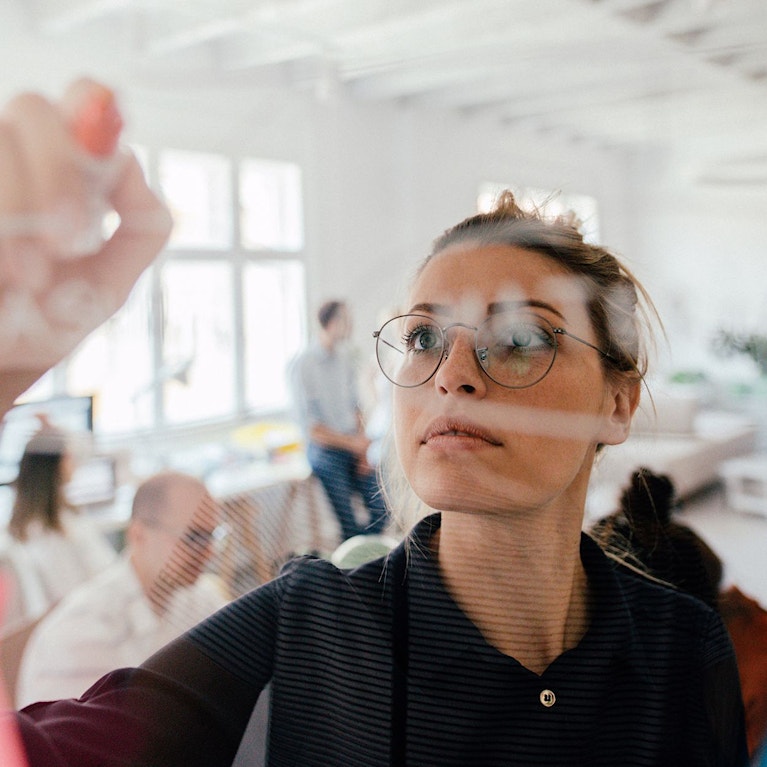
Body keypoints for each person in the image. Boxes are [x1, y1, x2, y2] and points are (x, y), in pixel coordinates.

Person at [0, 81, 747, 766]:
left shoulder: (683, 647)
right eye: (423, 336)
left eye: (518, 339)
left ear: (615, 404)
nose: (452, 372)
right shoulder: (302, 627)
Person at [15, 470, 228, 707]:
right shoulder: (80, 633)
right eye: (194, 538)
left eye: (212, 537)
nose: (209, 553)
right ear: (139, 535)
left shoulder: (199, 598)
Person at [290, 299, 389, 540]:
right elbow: (313, 430)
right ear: (332, 323)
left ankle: (362, 552)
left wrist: (362, 448)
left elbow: (356, 408)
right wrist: (354, 444)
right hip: (325, 450)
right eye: (347, 320)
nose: (351, 325)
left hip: (353, 446)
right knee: (349, 523)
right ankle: (354, 557)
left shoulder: (344, 359)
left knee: (382, 510)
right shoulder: (303, 365)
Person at [1, 424, 117, 626]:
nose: (75, 462)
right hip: (89, 621)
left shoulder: (20, 528)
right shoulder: (63, 530)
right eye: (69, 456)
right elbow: (105, 582)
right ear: (59, 464)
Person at [589, 466, 723, 610]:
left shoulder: (605, 534)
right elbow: (712, 583)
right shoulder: (685, 543)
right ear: (668, 507)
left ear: (624, 500)